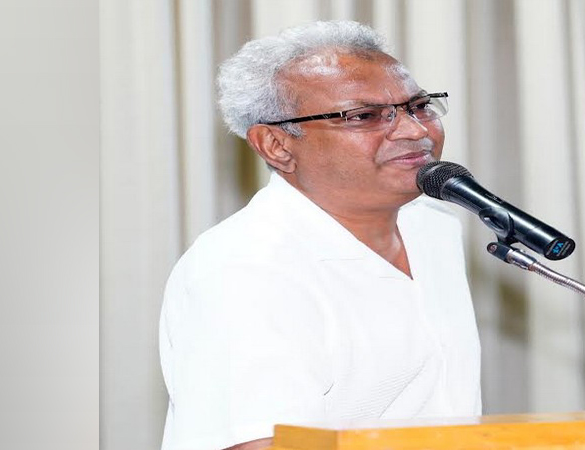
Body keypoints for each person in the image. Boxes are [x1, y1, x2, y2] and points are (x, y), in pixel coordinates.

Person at [159, 20, 481, 450]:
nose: (415, 130)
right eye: (363, 116)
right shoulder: (244, 268)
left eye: (419, 106)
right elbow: (262, 443)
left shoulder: (434, 224)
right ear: (276, 145)